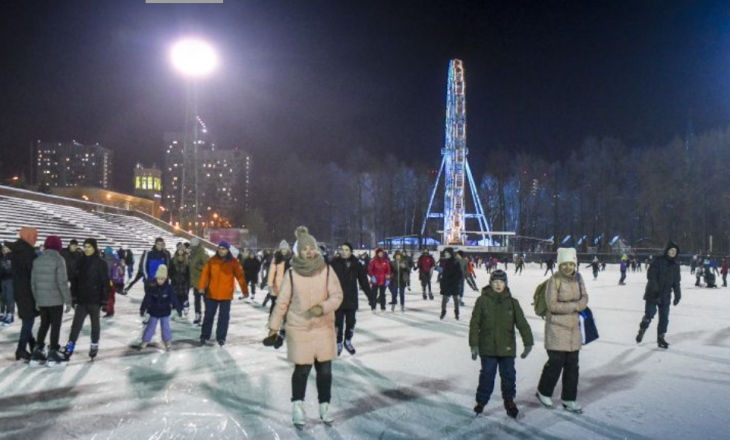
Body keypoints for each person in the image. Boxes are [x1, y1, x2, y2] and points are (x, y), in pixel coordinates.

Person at [267, 226, 344, 429]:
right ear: (299, 252)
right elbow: (282, 302)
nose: (309, 251)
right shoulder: (292, 274)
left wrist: (323, 307)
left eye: (312, 247)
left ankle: (325, 405)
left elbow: (337, 296)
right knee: (302, 370)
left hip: (323, 327)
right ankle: (298, 406)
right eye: (305, 248)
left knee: (325, 371)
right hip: (299, 327)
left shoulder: (326, 270)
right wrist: (274, 326)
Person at [469, 269, 533, 417]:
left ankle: (509, 401)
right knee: (486, 376)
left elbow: (522, 324)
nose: (498, 285)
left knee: (509, 375)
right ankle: (481, 402)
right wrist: (474, 344)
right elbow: (475, 323)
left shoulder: (512, 302)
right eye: (495, 282)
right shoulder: (482, 301)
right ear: (490, 283)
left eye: (501, 282)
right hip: (487, 347)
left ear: (506, 284)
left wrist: (528, 343)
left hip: (507, 347)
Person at [536, 247, 589, 414]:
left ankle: (569, 398)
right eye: (564, 264)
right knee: (556, 364)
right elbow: (552, 306)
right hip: (557, 329)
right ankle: (543, 392)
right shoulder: (554, 280)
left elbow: (585, 297)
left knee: (573, 366)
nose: (568, 267)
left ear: (575, 264)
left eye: (571, 264)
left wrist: (581, 303)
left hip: (574, 330)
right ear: (560, 265)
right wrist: (575, 306)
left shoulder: (579, 279)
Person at [63, 238, 110, 361]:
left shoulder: (101, 263)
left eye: (89, 246)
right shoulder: (80, 262)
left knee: (95, 326)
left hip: (95, 300)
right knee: (76, 326)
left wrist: (105, 301)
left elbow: (105, 283)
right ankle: (70, 345)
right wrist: (73, 297)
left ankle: (94, 345)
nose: (87, 249)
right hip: (82, 300)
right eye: (85, 246)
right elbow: (74, 281)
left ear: (94, 248)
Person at [29, 236, 73, 367]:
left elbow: (33, 283)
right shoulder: (59, 260)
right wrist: (68, 300)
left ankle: (38, 350)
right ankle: (53, 352)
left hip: (42, 300)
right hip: (55, 300)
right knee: (55, 325)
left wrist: (37, 300)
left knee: (44, 324)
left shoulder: (37, 260)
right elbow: (62, 282)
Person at [197, 241, 247, 346]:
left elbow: (240, 276)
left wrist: (244, 290)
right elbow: (204, 274)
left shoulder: (233, 262)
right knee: (208, 316)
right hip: (212, 293)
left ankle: (221, 337)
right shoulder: (212, 261)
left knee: (223, 317)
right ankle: (205, 336)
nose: (221, 250)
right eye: (219, 248)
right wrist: (201, 286)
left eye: (223, 249)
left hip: (226, 294)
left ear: (228, 250)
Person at [636, 242, 681, 349]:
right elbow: (651, 277)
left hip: (666, 296)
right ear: (667, 251)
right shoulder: (658, 261)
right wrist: (655, 291)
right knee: (650, 314)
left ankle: (661, 338)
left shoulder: (675, 266)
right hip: (653, 294)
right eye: (671, 250)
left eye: (675, 251)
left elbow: (676, 283)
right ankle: (642, 329)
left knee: (664, 318)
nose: (673, 253)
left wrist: (677, 295)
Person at [330, 242, 371, 356]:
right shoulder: (334, 263)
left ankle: (347, 340)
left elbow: (364, 282)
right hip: (338, 299)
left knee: (351, 323)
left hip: (351, 299)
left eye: (346, 250)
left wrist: (371, 296)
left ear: (351, 252)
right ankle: (338, 342)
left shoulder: (357, 264)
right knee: (338, 323)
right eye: (342, 249)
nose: (344, 251)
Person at [139, 265, 183, 351]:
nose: (160, 281)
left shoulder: (169, 288)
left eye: (162, 279)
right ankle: (145, 341)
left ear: (166, 279)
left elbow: (174, 298)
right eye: (158, 278)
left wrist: (179, 309)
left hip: (165, 311)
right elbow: (147, 298)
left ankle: (167, 341)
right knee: (150, 327)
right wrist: (143, 308)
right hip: (154, 311)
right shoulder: (152, 287)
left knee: (165, 327)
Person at [10, 227, 38, 361]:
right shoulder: (27, 251)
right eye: (34, 236)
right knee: (29, 320)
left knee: (28, 318)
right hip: (27, 290)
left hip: (19, 289)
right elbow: (32, 271)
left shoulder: (17, 249)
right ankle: (21, 349)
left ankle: (33, 344)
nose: (35, 239)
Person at [264, 240, 292, 311]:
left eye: (285, 249)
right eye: (283, 249)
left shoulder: (291, 259)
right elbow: (271, 272)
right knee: (274, 304)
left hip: (287, 285)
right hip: (277, 284)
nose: (284, 251)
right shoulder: (276, 258)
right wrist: (270, 284)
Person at [188, 238, 209, 326]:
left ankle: (208, 317)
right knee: (197, 300)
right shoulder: (192, 254)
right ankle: (197, 315)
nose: (191, 247)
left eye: (193, 245)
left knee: (206, 300)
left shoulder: (203, 254)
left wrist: (199, 267)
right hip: (195, 281)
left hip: (203, 282)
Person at [439, 247, 463, 320]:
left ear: (450, 254)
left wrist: (453, 281)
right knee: (444, 299)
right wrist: (442, 282)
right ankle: (443, 311)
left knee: (455, 299)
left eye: (447, 253)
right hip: (447, 284)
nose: (445, 254)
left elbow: (459, 274)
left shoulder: (456, 262)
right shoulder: (445, 262)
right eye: (445, 253)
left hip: (453, 284)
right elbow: (444, 274)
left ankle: (456, 313)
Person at [103, 246, 125, 318]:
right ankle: (111, 309)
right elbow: (122, 272)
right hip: (115, 281)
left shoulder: (105, 260)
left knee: (109, 296)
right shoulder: (116, 259)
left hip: (109, 281)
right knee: (112, 295)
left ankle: (109, 311)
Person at [367, 248, 391, 313]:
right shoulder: (373, 261)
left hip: (383, 280)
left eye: (381, 253)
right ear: (377, 253)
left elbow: (388, 270)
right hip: (375, 280)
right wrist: (372, 276)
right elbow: (370, 270)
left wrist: (388, 278)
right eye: (379, 253)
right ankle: (373, 307)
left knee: (382, 294)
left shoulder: (385, 261)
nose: (380, 254)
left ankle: (383, 307)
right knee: (374, 294)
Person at [169, 248, 190, 316]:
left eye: (182, 250)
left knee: (183, 297)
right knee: (174, 296)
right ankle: (174, 309)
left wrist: (186, 281)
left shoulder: (187, 261)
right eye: (179, 250)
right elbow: (170, 271)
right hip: (175, 282)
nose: (180, 252)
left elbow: (188, 273)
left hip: (184, 283)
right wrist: (173, 278)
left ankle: (182, 310)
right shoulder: (173, 260)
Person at [0, 242, 14, 325]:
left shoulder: (12, 256)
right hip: (3, 279)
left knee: (9, 297)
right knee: (3, 297)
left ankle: (10, 314)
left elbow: (11, 268)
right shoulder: (2, 256)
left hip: (10, 279)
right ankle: (3, 313)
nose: (4, 249)